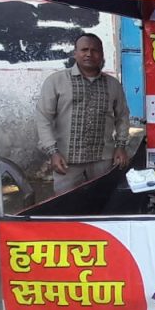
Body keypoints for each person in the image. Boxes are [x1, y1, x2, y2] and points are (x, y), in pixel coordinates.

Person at [35, 33, 130, 193]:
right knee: (67, 203)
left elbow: (122, 117)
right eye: (84, 50)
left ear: (102, 54)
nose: (89, 54)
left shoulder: (113, 84)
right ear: (75, 53)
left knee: (102, 200)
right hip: (66, 160)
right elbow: (43, 118)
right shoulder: (56, 81)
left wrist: (121, 146)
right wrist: (53, 152)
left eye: (94, 50)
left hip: (103, 159)